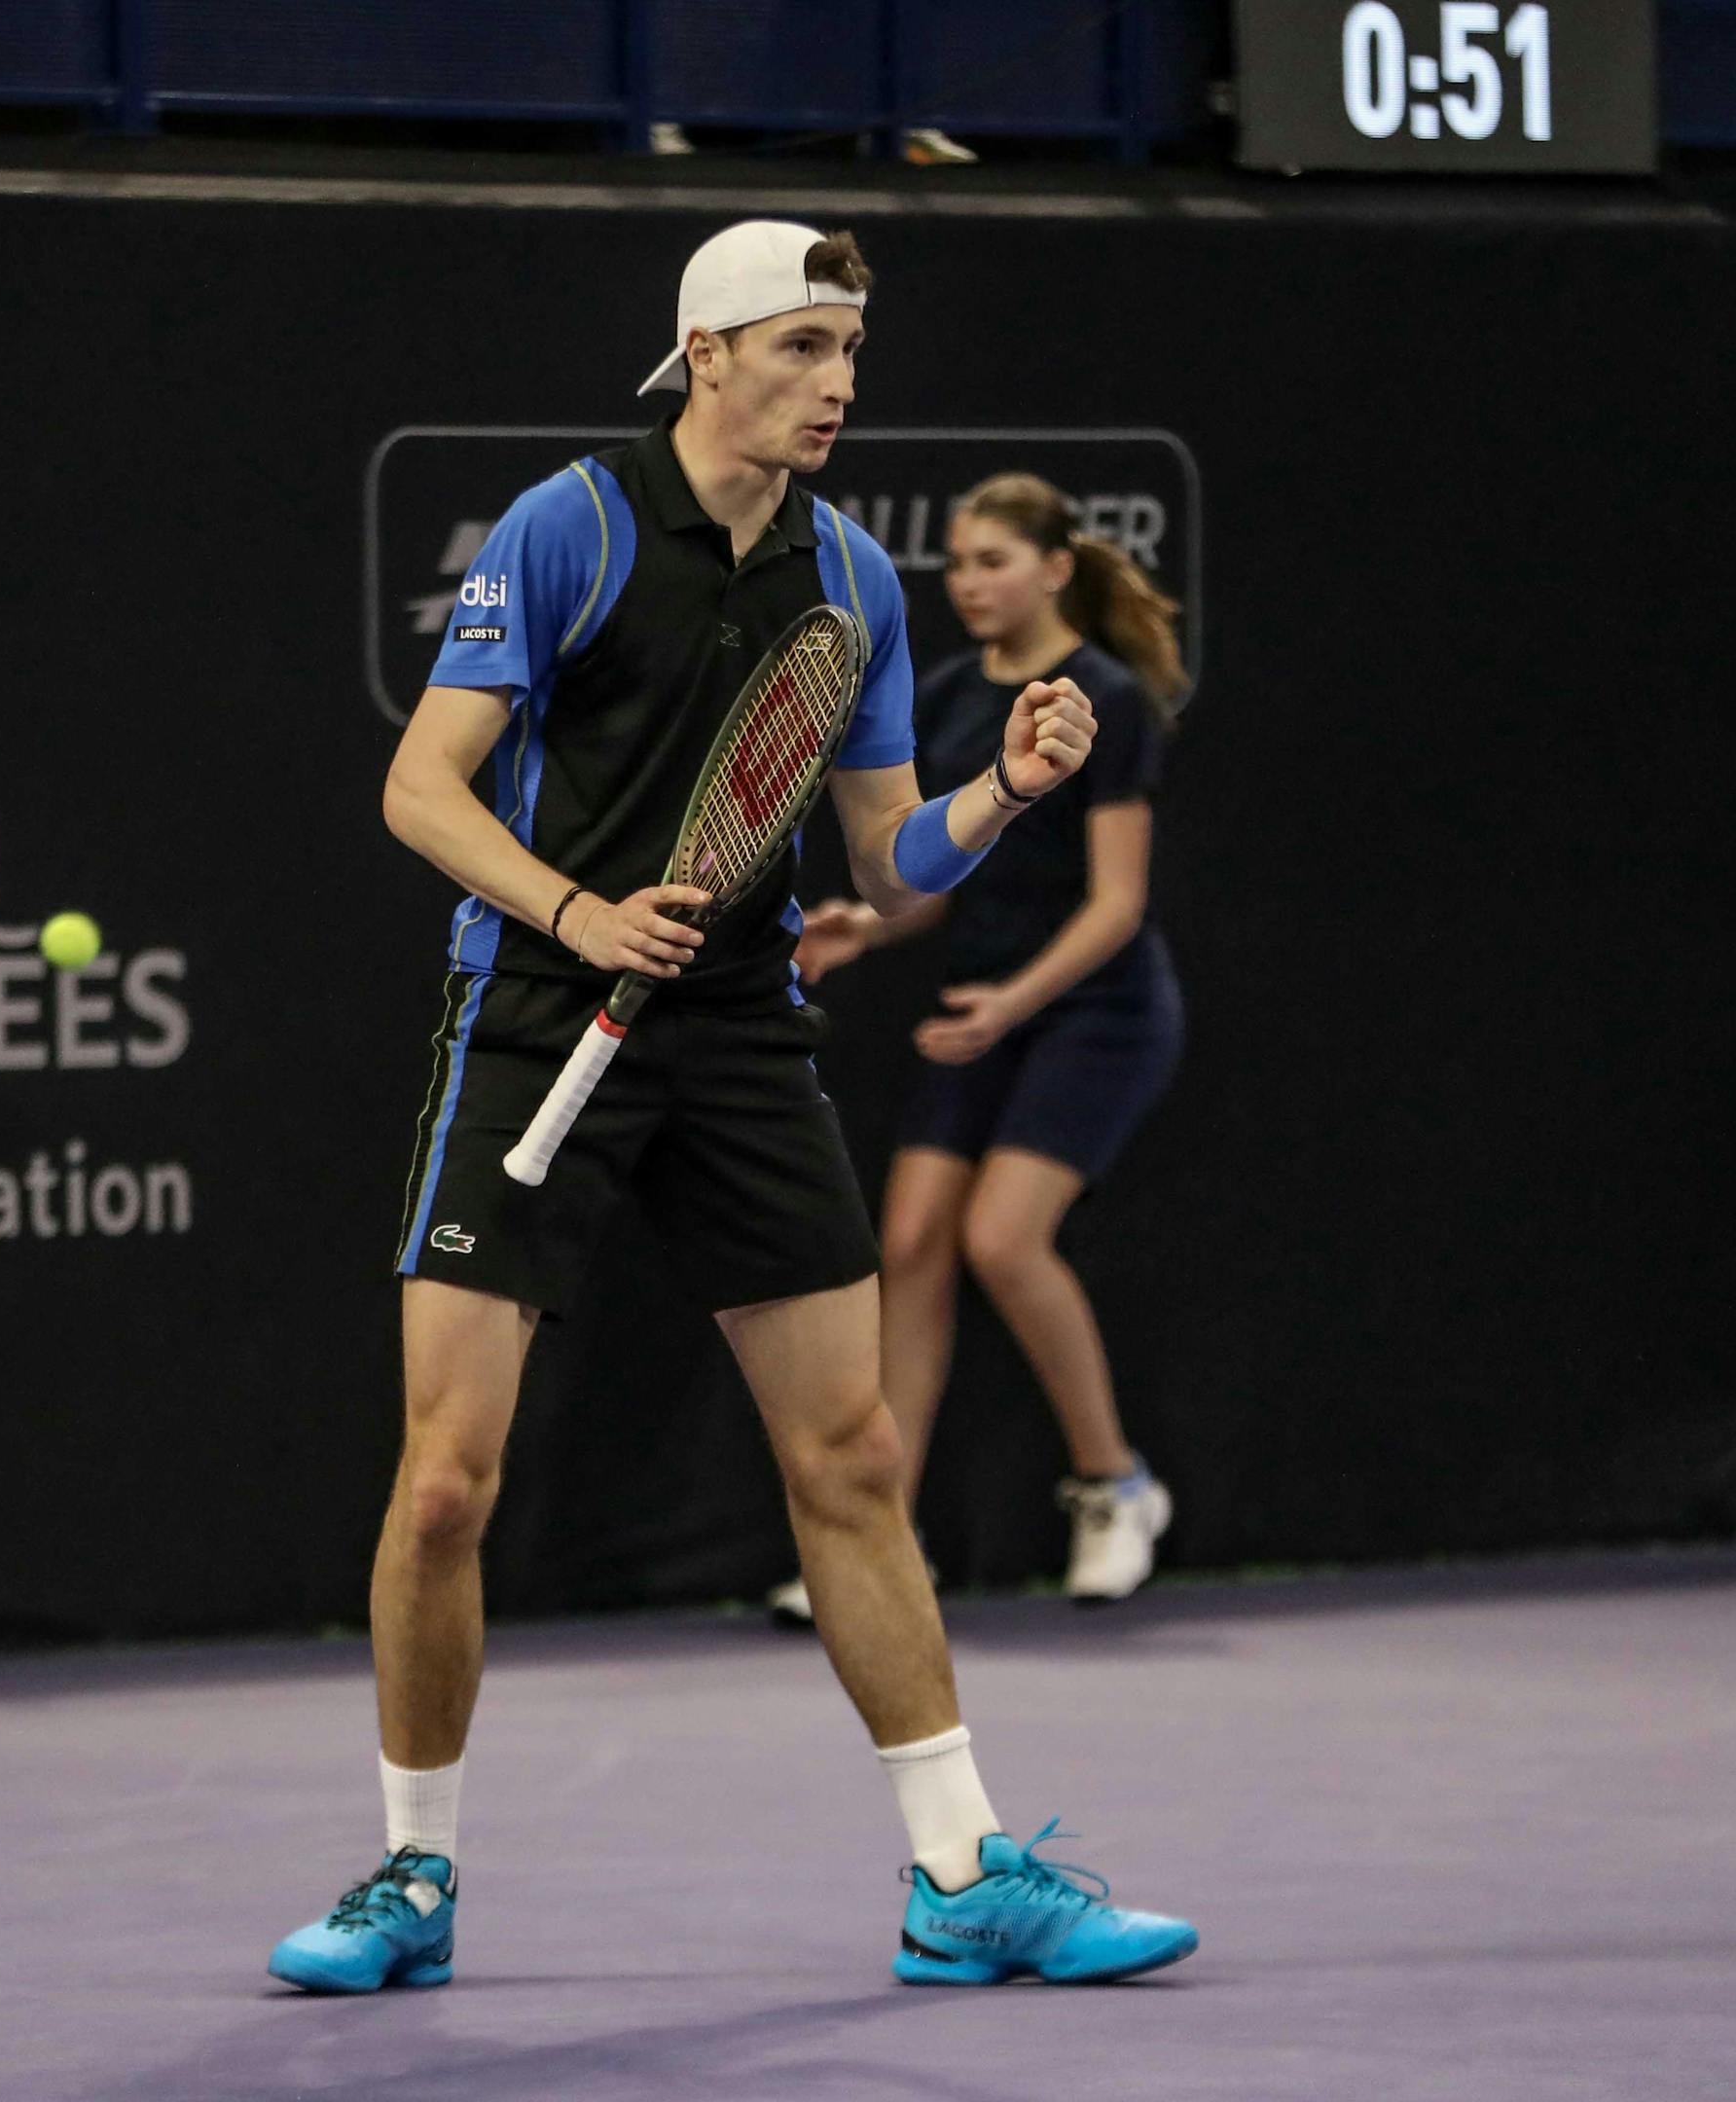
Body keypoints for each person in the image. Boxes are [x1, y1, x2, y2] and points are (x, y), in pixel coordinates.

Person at [270, 220, 1196, 1995]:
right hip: (537, 1009)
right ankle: (411, 1875)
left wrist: (1001, 790)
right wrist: (573, 910)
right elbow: (420, 785)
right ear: (707, 354)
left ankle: (960, 1874)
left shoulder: (853, 578)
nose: (837, 385)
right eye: (801, 350)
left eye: (851, 356)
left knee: (851, 1456)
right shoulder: (573, 526)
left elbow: (884, 853)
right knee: (450, 1485)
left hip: (741, 1034)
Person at [774, 473, 1189, 1620]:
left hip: (1095, 1012)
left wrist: (1009, 1004)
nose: (968, 584)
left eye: (993, 562)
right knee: (909, 1241)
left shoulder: (1105, 700)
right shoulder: (952, 697)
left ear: (1056, 569)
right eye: (956, 566)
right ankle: (884, 1528)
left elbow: (1114, 906)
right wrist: (867, 922)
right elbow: (944, 871)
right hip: (978, 1005)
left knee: (1004, 1241)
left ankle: (1115, 1487)